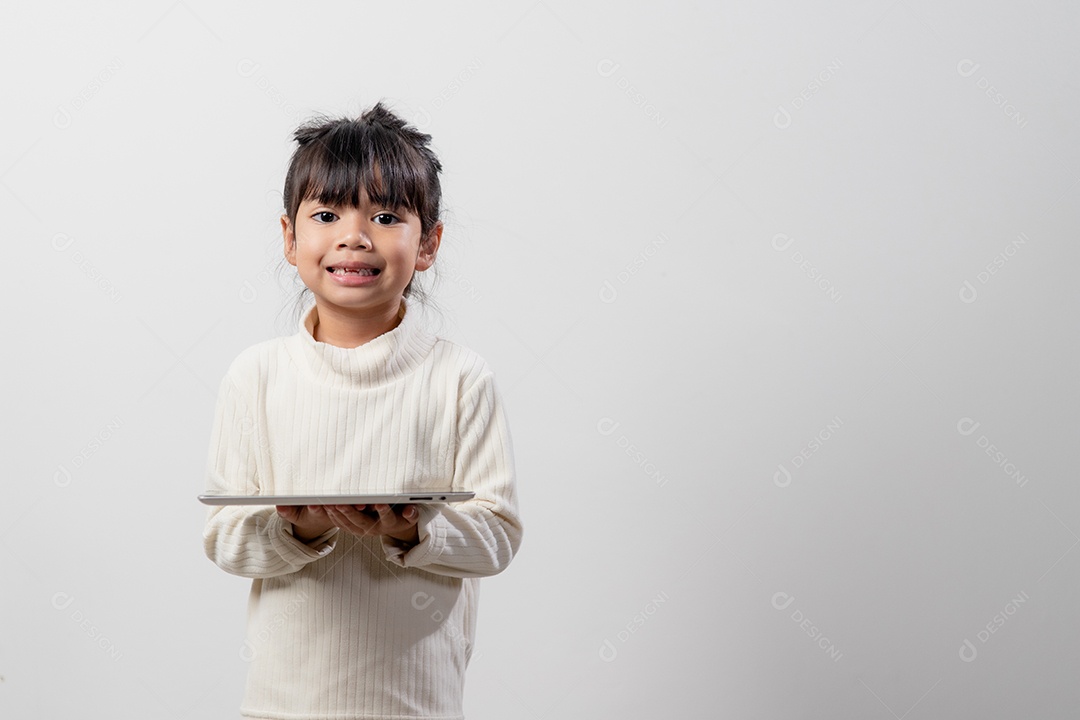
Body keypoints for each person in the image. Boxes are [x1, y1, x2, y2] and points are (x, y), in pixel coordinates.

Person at [202, 101, 523, 720]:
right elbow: (224, 539)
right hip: (280, 706)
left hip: (416, 705)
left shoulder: (459, 378)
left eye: (384, 216)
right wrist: (301, 527)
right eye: (326, 214)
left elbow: (497, 538)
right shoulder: (257, 376)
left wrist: (409, 528)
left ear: (428, 242)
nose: (354, 236)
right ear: (291, 238)